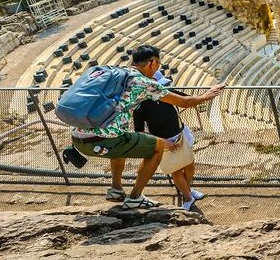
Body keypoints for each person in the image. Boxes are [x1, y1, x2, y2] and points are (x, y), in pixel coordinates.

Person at [70, 45, 224, 210]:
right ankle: (135, 197)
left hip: (79, 138)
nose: (157, 69)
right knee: (157, 146)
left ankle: (116, 189)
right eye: (158, 64)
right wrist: (208, 95)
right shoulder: (144, 83)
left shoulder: (116, 74)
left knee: (120, 140)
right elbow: (184, 102)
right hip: (103, 141)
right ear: (152, 63)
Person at [132, 70, 204, 212]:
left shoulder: (168, 92)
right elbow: (139, 131)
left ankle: (187, 190)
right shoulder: (141, 105)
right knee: (176, 172)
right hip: (164, 141)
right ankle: (188, 198)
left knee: (190, 165)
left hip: (181, 133)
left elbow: (187, 99)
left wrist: (203, 97)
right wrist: (163, 142)